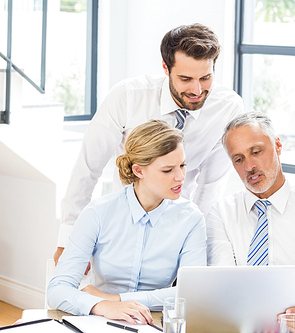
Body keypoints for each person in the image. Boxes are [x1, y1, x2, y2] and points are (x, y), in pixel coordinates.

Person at [54, 23, 243, 267]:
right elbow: (88, 168)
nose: (197, 90)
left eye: (205, 78)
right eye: (185, 79)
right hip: (122, 223)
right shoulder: (128, 96)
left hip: (178, 226)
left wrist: (194, 242)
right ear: (166, 68)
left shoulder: (227, 108)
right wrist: (69, 237)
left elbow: (210, 185)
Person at [47, 120, 207, 324]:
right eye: (168, 170)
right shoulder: (98, 213)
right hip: (100, 320)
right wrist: (102, 306)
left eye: (183, 165)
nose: (180, 177)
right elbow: (57, 288)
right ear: (139, 171)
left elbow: (193, 294)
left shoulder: (191, 218)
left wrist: (116, 299)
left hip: (155, 322)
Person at [207, 112, 295, 333]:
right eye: (239, 159)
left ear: (278, 146)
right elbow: (225, 284)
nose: (249, 166)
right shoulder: (221, 213)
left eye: (256, 152)